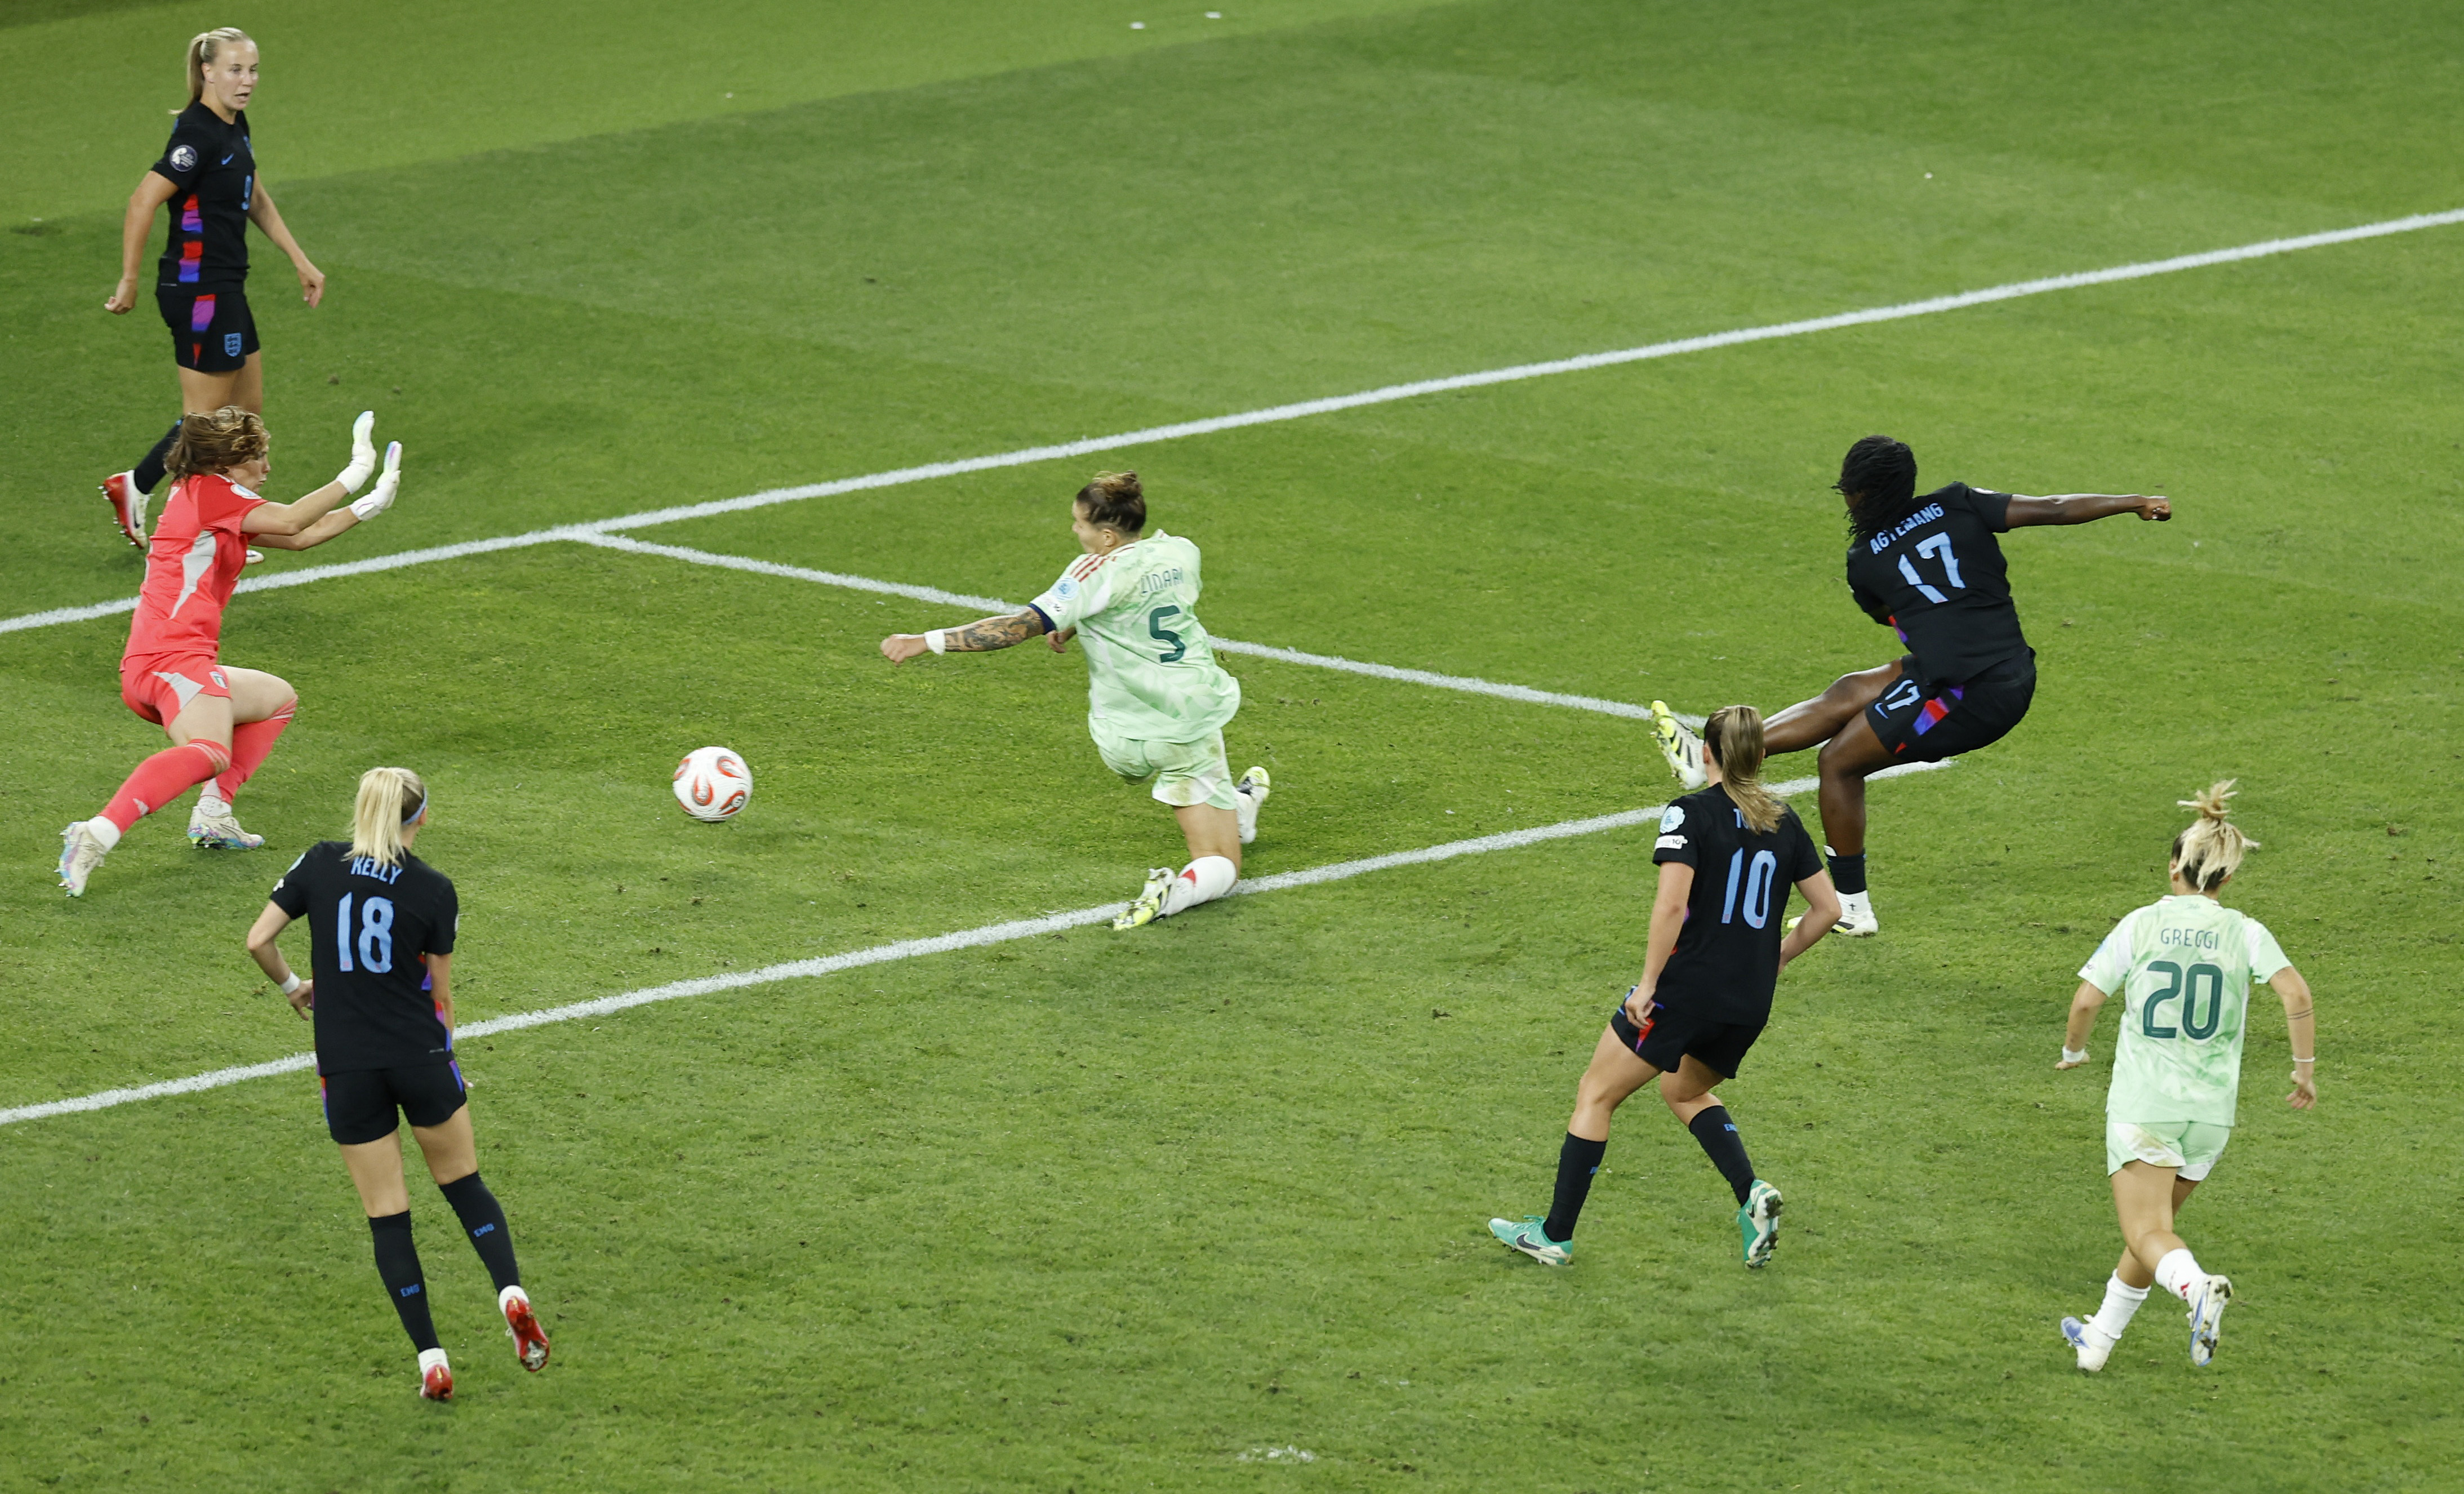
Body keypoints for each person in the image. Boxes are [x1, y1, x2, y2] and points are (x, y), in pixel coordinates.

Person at [1647, 435, 2171, 937]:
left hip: (1968, 694)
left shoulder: (1865, 562)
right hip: (1996, 667)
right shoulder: (1960, 503)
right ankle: (1710, 755)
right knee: (1851, 691)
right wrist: (2133, 502)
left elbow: (1888, 617)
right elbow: (2054, 507)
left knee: (1839, 761)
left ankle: (1852, 909)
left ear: (1864, 493)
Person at [1488, 706, 1840, 1269]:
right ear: (1762, 755)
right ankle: (1751, 1193)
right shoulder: (1786, 821)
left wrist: (1648, 984)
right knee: (1683, 1091)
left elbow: (1672, 905)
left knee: (1596, 1094)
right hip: (1747, 1003)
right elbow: (1828, 910)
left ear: (1707, 753)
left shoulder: (1689, 814)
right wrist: (1775, 958)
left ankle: (1555, 1236)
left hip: (1685, 991)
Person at [244, 768, 551, 1401]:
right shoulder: (435, 889)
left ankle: (432, 1361)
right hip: (419, 1057)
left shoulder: (320, 863)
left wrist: (293, 988)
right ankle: (511, 1294)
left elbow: (258, 940)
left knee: (389, 1220)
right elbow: (440, 993)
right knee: (465, 1186)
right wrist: (446, 1059)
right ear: (423, 817)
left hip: (348, 1066)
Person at [878, 471, 1271, 929]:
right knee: (1224, 866)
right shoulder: (1181, 552)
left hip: (1121, 737)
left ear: (1106, 536)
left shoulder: (1092, 575)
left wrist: (927, 639)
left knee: (1207, 792)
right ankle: (1175, 892)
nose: (1074, 531)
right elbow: (1138, 600)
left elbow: (1023, 625)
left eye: (1079, 523)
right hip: (1187, 723)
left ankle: (1237, 810)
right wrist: (1077, 620)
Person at [58, 407, 401, 896]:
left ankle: (214, 815)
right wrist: (355, 474)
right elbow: (292, 518)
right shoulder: (210, 494)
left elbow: (299, 536)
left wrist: (372, 505)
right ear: (226, 462)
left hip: (172, 660)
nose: (266, 467)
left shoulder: (208, 496)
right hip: (169, 661)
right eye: (258, 457)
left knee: (276, 698)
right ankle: (96, 833)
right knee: (210, 751)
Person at [2052, 781, 2315, 1371]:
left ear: (2175, 867)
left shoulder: (2142, 925)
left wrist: (2073, 1052)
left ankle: (2198, 1291)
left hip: (2148, 1107)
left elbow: (2087, 1002)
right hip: (2211, 1117)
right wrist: (2304, 1073)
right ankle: (2098, 1341)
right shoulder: (2245, 931)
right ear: (2225, 879)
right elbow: (2295, 993)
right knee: (2153, 1234)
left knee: (2150, 1233)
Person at [99, 27, 327, 551]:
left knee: (245, 418)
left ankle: (209, 519)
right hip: (198, 292)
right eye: (234, 70)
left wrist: (300, 259)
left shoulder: (233, 125)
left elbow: (254, 195)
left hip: (227, 289)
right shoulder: (195, 136)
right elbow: (141, 201)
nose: (246, 82)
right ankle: (149, 496)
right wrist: (129, 280)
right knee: (208, 426)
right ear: (207, 72)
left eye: (252, 71)